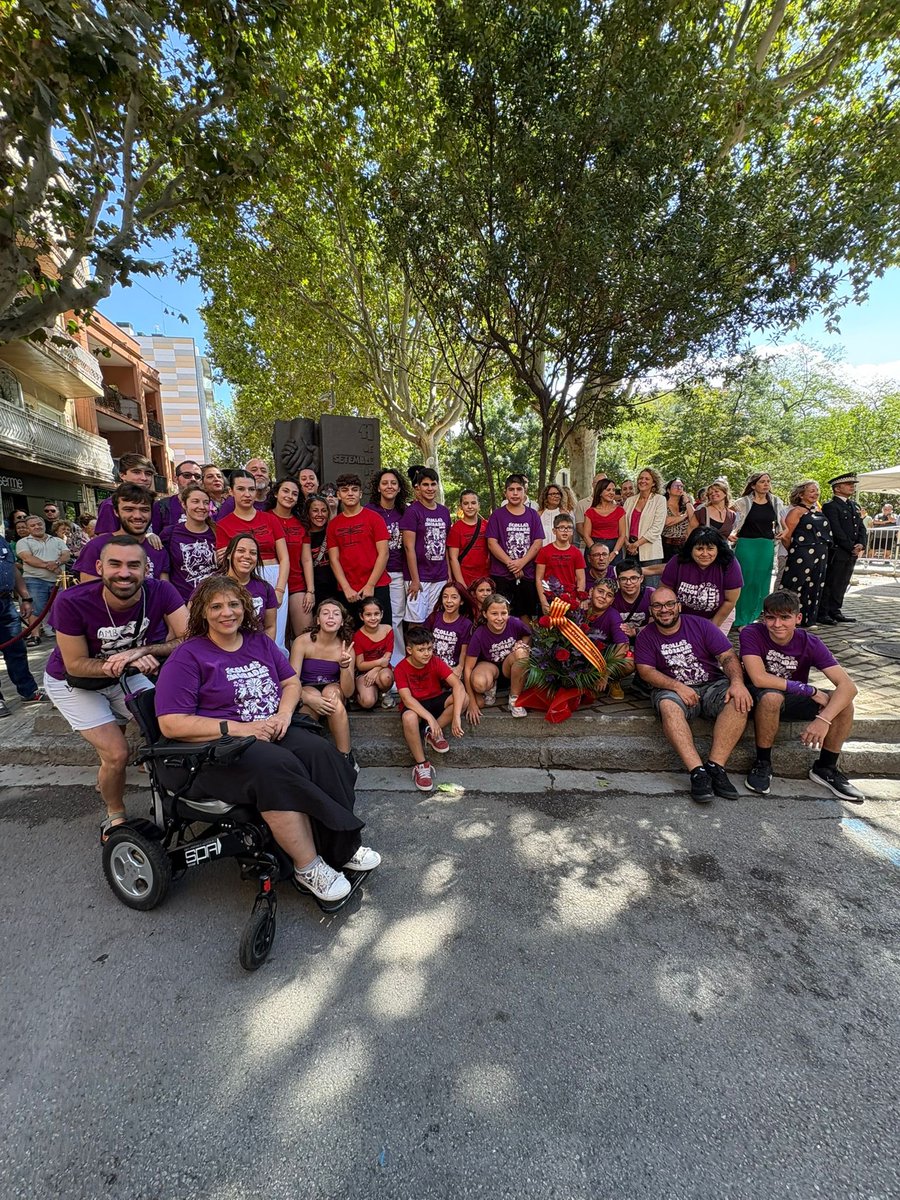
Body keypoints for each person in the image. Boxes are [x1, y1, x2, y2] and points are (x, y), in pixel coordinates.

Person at [154, 575, 378, 903]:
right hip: (213, 750)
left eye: (233, 604)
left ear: (245, 607)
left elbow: (290, 684)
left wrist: (284, 715)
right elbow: (171, 723)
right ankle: (307, 866)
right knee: (277, 767)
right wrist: (243, 728)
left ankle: (341, 848)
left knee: (321, 752)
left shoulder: (258, 642)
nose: (226, 612)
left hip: (270, 727)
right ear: (202, 612)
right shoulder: (189, 655)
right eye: (216, 606)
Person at [43, 536, 188, 836]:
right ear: (99, 567)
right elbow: (76, 664)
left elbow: (188, 638)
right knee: (117, 753)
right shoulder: (71, 600)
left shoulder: (160, 590)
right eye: (115, 564)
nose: (124, 573)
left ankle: (173, 796)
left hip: (126, 671)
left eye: (134, 565)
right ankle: (115, 814)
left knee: (172, 725)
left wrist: (145, 651)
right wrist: (133, 662)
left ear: (146, 569)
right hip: (73, 682)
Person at [739, 589, 864, 801]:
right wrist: (810, 690)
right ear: (764, 617)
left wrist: (824, 719)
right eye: (771, 617)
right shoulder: (751, 633)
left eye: (785, 618)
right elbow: (759, 678)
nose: (777, 624)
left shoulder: (809, 641)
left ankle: (825, 768)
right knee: (772, 696)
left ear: (798, 618)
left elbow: (848, 686)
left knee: (844, 703)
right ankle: (762, 763)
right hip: (756, 698)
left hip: (791, 698)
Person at [635, 586, 752, 803]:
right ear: (651, 610)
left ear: (678, 605)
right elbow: (646, 671)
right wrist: (678, 686)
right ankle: (697, 772)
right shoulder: (646, 636)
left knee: (738, 699)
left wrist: (737, 682)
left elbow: (727, 656)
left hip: (711, 685)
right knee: (668, 707)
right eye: (658, 606)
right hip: (672, 689)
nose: (664, 610)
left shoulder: (701, 625)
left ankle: (716, 767)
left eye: (669, 604)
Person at [215, 469, 290, 645]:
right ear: (231, 492)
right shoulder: (224, 525)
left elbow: (285, 558)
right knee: (245, 631)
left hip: (275, 577)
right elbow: (226, 560)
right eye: (241, 489)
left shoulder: (271, 519)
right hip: (242, 579)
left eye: (251, 489)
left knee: (275, 635)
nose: (247, 494)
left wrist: (278, 590)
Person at [395, 624, 467, 792]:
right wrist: (429, 718)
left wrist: (456, 717)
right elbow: (407, 698)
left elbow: (458, 686)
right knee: (409, 717)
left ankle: (431, 732)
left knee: (464, 699)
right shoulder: (400, 668)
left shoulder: (435, 661)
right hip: (415, 705)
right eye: (421, 650)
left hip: (435, 700)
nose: (427, 653)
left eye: (429, 648)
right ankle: (421, 765)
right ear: (409, 650)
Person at [289, 598, 356, 765]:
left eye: (336, 614)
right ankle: (310, 759)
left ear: (342, 622)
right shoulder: (302, 642)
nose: (331, 617)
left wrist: (344, 667)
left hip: (334, 689)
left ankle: (346, 757)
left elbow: (348, 692)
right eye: (325, 613)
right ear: (318, 620)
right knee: (311, 695)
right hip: (305, 689)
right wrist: (310, 699)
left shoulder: (346, 648)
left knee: (331, 695)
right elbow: (291, 682)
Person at [326, 473, 391, 625]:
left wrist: (370, 585)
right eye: (345, 490)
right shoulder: (334, 525)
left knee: (382, 632)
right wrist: (346, 588)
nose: (350, 493)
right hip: (349, 591)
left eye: (354, 489)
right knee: (351, 635)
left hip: (377, 586)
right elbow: (334, 559)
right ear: (338, 495)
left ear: (360, 494)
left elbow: (384, 553)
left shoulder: (375, 518)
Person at [74, 485, 170, 582]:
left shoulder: (158, 549)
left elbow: (164, 592)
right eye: (129, 509)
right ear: (116, 512)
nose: (137, 516)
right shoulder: (96, 547)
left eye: (144, 510)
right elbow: (88, 592)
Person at [732, 472, 788, 628]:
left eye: (768, 481)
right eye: (762, 481)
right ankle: (740, 617)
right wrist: (731, 533)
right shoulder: (742, 502)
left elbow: (785, 525)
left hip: (766, 545)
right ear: (753, 485)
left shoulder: (776, 502)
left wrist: (784, 531)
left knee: (762, 581)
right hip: (746, 544)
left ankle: (755, 616)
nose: (766, 484)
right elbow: (729, 518)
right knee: (745, 580)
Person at [660, 527, 743, 632]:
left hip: (719, 615)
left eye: (710, 549)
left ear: (718, 549)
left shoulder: (729, 563)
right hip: (681, 618)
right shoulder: (677, 562)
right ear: (691, 549)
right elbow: (663, 593)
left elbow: (730, 601)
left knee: (712, 645)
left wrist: (710, 628)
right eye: (699, 549)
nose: (705, 554)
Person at [485, 473, 544, 621]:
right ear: (505, 492)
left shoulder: (533, 515)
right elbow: (492, 543)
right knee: (501, 615)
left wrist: (521, 563)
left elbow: (537, 542)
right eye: (511, 489)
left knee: (526, 616)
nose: (515, 493)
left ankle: (525, 644)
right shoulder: (497, 515)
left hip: (527, 573)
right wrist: (511, 565)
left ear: (525, 492)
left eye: (519, 489)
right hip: (502, 575)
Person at [464, 592, 531, 719]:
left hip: (510, 667)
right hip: (489, 667)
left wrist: (522, 643)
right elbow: (467, 668)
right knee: (479, 683)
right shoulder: (479, 634)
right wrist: (472, 702)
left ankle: (514, 699)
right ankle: (491, 688)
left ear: (508, 613)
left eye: (503, 613)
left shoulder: (515, 623)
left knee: (522, 652)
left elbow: (528, 634)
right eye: (494, 614)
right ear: (485, 614)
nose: (500, 618)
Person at [367, 469, 410, 667]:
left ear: (399, 487)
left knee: (397, 619)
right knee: (378, 617)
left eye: (393, 483)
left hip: (397, 571)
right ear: (378, 487)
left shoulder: (406, 512)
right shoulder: (369, 511)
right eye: (385, 483)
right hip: (374, 573)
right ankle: (378, 662)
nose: (389, 487)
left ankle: (398, 661)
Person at [400, 466, 451, 624]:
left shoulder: (444, 512)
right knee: (416, 621)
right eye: (425, 485)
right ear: (419, 487)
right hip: (419, 576)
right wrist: (415, 579)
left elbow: (445, 545)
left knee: (434, 619)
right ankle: (414, 649)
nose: (430, 488)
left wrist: (448, 575)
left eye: (433, 484)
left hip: (440, 575)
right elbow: (409, 547)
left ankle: (431, 650)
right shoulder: (412, 511)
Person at [0, 534, 44, 716]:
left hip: (5, 603)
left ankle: (28, 690)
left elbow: (12, 570)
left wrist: (25, 596)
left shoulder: (1, 540)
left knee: (16, 648)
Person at [265, 477, 314, 640]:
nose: (289, 496)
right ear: (276, 493)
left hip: (296, 584)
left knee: (306, 635)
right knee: (275, 636)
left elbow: (306, 560)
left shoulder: (301, 523)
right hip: (270, 584)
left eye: (294, 493)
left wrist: (310, 590)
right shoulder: (263, 519)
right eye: (285, 491)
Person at [781, 480, 833, 627]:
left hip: (821, 553)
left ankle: (808, 618)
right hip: (802, 553)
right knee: (796, 585)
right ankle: (786, 616)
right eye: (811, 491)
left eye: (817, 491)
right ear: (801, 494)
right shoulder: (796, 511)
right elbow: (786, 536)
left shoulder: (818, 511)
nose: (815, 494)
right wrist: (795, 551)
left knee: (814, 585)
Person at [15, 515, 71, 642]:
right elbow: (28, 558)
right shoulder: (23, 542)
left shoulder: (57, 540)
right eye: (33, 525)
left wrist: (56, 563)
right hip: (34, 580)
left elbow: (66, 555)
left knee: (60, 608)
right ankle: (35, 636)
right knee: (36, 609)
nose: (37, 527)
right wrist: (50, 565)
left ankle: (63, 635)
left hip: (58, 581)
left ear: (44, 525)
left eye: (39, 524)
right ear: (28, 528)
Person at [820, 472, 866, 624]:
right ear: (837, 488)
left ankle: (835, 610)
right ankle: (824, 612)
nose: (852, 486)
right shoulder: (830, 506)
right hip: (838, 550)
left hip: (851, 551)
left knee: (843, 582)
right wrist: (849, 546)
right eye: (848, 484)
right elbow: (836, 529)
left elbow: (860, 527)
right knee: (831, 581)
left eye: (853, 484)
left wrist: (861, 544)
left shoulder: (854, 505)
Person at [162, 483, 218, 603]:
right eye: (195, 501)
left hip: (215, 600)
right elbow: (163, 571)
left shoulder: (218, 532)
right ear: (184, 504)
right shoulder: (170, 533)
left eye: (206, 502)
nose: (201, 506)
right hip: (183, 602)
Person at [221, 533, 278, 640]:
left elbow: (270, 627)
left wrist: (265, 651)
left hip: (254, 651)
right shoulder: (210, 586)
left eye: (253, 553)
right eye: (241, 551)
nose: (247, 556)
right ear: (229, 555)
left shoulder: (266, 589)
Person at [582, 579, 632, 699]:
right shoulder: (580, 607)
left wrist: (606, 674)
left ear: (612, 601)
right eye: (600, 591)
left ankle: (613, 680)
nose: (603, 597)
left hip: (603, 659)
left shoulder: (613, 615)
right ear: (591, 591)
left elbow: (623, 645)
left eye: (609, 595)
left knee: (629, 662)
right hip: (580, 656)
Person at [623, 468, 667, 583]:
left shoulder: (660, 500)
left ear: (653, 483)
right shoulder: (629, 501)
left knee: (650, 586)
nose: (643, 481)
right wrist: (628, 544)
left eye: (647, 479)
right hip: (629, 549)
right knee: (631, 584)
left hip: (650, 550)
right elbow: (622, 525)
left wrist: (636, 544)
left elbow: (657, 528)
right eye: (640, 478)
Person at [534, 514, 586, 610]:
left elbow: (581, 579)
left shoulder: (576, 553)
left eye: (569, 528)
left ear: (572, 532)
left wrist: (578, 599)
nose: (565, 531)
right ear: (554, 531)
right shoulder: (544, 551)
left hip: (570, 598)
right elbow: (539, 578)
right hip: (550, 596)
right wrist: (543, 601)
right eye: (561, 528)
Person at [94, 454, 157, 533]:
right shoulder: (110, 505)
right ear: (122, 475)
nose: (144, 478)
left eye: (148, 474)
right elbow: (105, 539)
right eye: (137, 472)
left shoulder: (155, 504)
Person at [352, 598, 394, 709]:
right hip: (364, 673)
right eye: (368, 614)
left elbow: (387, 657)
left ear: (382, 614)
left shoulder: (388, 630)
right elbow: (360, 665)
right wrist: (380, 662)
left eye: (376, 614)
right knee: (368, 702)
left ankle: (384, 693)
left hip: (382, 670)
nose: (373, 618)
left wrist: (375, 670)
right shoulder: (358, 636)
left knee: (387, 678)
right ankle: (358, 695)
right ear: (362, 616)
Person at [447, 489, 491, 592]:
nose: (470, 507)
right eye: (466, 503)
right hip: (464, 577)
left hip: (485, 578)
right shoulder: (456, 529)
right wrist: (461, 584)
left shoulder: (486, 525)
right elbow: (453, 558)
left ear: (478, 505)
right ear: (461, 506)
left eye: (473, 503)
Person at [426, 582, 473, 677]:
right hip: (430, 665)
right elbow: (423, 641)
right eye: (445, 597)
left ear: (462, 601)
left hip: (451, 669)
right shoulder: (434, 617)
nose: (448, 601)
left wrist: (459, 667)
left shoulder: (466, 623)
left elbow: (464, 652)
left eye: (454, 597)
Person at [304, 494, 340, 604]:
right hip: (313, 589)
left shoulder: (333, 532)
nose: (320, 515)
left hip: (335, 588)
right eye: (315, 511)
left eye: (324, 511)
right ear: (308, 513)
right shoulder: (303, 535)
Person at [578, 477, 626, 560]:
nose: (612, 493)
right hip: (594, 548)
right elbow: (586, 535)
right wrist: (596, 552)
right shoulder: (590, 512)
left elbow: (622, 535)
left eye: (613, 490)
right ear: (600, 492)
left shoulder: (620, 511)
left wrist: (614, 554)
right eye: (608, 490)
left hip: (614, 549)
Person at [151, 460, 203, 533]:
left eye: (197, 476)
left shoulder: (210, 506)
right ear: (176, 479)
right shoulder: (161, 506)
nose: (193, 479)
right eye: (187, 475)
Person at [662, 478, 694, 561]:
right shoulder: (662, 504)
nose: (679, 488)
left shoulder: (685, 506)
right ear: (668, 490)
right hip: (666, 545)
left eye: (681, 486)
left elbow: (694, 519)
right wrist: (684, 516)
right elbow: (666, 521)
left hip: (684, 545)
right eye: (676, 486)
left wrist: (687, 501)